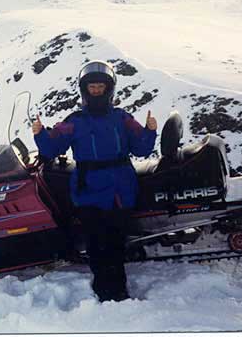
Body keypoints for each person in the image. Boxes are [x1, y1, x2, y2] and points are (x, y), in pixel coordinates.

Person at [32, 60, 157, 302]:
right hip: (89, 189)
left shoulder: (122, 118)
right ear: (85, 90)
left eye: (101, 86)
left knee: (116, 243)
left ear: (109, 89)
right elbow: (53, 146)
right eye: (92, 87)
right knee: (96, 244)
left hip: (121, 188)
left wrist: (150, 131)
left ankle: (119, 292)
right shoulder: (74, 121)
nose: (97, 90)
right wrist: (40, 134)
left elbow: (141, 148)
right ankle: (103, 291)